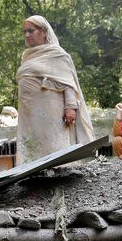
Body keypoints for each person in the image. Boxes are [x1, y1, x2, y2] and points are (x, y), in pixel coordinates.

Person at [16, 15, 95, 163]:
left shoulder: (58, 55)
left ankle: (60, 170)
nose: (27, 35)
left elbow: (69, 83)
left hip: (51, 111)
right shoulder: (27, 56)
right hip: (28, 113)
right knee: (32, 145)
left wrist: (70, 107)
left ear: (44, 32)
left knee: (53, 144)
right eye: (25, 31)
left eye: (31, 31)